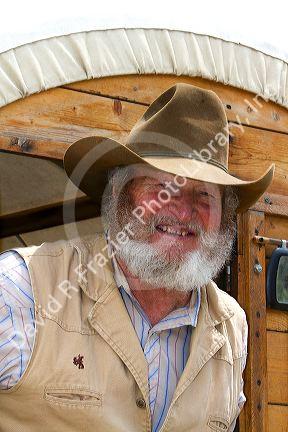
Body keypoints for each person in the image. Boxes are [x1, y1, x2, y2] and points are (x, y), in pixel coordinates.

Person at [0, 83, 275, 431]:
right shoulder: (20, 292)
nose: (182, 209)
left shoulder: (233, 326)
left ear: (225, 218)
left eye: (204, 194)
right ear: (119, 194)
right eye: (161, 186)